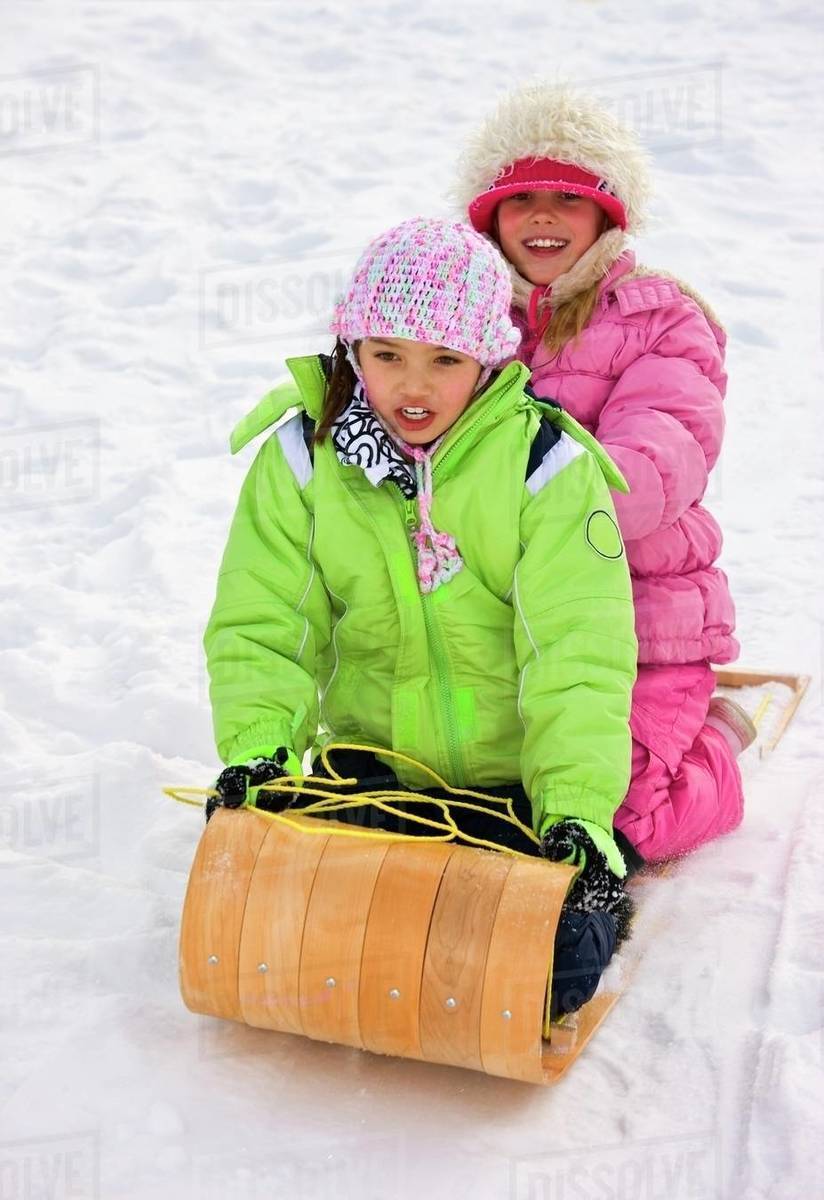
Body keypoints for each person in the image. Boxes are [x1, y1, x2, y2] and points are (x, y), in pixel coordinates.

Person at [202, 216, 638, 1017]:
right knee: (274, 929)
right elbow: (265, 621)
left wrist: (573, 812)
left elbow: (578, 652)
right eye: (386, 356)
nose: (413, 386)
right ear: (351, 348)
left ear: (487, 357)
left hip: (514, 790)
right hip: (367, 771)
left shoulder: (544, 468)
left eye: (444, 360)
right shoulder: (306, 461)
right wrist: (259, 755)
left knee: (540, 968)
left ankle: (588, 874)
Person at [454, 83, 754, 865]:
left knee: (618, 818)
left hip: (641, 612)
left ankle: (714, 742)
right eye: (521, 200)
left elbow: (657, 459)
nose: (544, 217)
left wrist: (513, 496)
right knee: (487, 788)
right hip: (508, 617)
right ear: (488, 218)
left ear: (609, 216)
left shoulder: (663, 321)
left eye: (568, 198)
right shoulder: (463, 322)